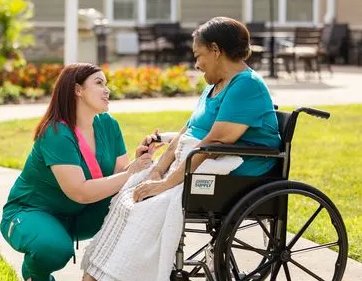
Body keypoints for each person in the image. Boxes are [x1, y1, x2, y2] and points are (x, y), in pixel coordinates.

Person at [82, 17, 282, 281]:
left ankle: (120, 275)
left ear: (216, 50)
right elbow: (188, 131)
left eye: (199, 56)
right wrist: (159, 170)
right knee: (130, 192)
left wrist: (165, 185)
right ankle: (100, 272)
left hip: (237, 170)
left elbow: (214, 145)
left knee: (147, 207)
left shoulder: (246, 85)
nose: (197, 64)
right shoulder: (215, 84)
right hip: (199, 162)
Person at [0, 63, 157, 281]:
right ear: (78, 90)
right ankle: (34, 274)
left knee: (133, 210)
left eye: (106, 84)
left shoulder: (108, 125)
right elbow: (80, 192)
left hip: (79, 214)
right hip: (32, 212)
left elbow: (120, 176)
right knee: (53, 250)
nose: (107, 89)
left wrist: (139, 161)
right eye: (99, 83)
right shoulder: (56, 133)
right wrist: (131, 172)